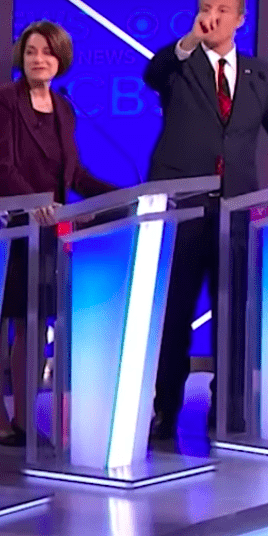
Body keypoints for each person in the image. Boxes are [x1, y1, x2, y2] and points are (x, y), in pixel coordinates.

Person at [0, 20, 117, 446]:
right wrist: (36, 201)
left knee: (33, 325)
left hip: (47, 232)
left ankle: (23, 414)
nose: (39, 59)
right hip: (7, 227)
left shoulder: (63, 107)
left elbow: (73, 173)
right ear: (22, 56)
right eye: (33, 51)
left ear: (61, 59)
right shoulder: (1, 102)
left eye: (48, 53)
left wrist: (124, 195)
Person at [145, 0, 265, 439]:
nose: (212, 15)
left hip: (236, 210)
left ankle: (229, 409)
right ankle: (165, 409)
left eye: (222, 8)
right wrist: (190, 40)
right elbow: (153, 73)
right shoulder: (180, 63)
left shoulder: (258, 74)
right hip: (185, 206)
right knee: (175, 310)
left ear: (240, 19)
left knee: (234, 311)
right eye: (205, 7)